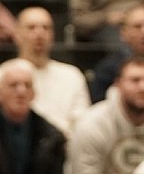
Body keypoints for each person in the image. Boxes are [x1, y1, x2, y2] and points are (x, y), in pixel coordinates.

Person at [13, 7, 88, 137]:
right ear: (17, 35)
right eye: (31, 27)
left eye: (46, 28)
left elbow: (83, 123)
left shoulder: (72, 75)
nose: (39, 33)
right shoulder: (4, 75)